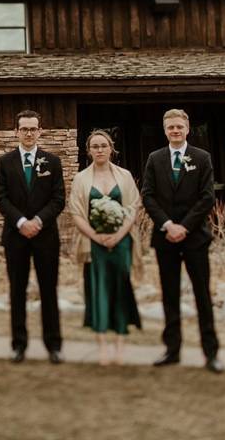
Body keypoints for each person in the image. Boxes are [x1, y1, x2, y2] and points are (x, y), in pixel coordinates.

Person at [141, 109, 221, 373]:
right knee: (170, 295)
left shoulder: (201, 158)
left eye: (179, 127)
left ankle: (211, 353)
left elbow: (207, 197)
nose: (175, 131)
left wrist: (184, 227)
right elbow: (148, 196)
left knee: (202, 295)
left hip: (194, 237)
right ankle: (172, 350)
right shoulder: (155, 159)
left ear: (187, 129)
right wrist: (168, 225)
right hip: (165, 237)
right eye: (170, 127)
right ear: (165, 131)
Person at [0, 109, 66, 364]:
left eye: (33, 128)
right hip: (16, 236)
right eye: (24, 128)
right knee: (17, 290)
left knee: (49, 290)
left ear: (40, 131)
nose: (28, 133)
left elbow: (59, 199)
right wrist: (22, 222)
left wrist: (38, 221)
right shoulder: (4, 162)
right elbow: (1, 199)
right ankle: (19, 344)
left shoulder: (52, 162)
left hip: (45, 236)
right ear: (16, 131)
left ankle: (54, 344)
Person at [69, 129, 142, 365]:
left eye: (103, 145)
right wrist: (96, 236)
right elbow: (77, 213)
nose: (99, 150)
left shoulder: (125, 176)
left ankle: (120, 345)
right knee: (98, 291)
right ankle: (101, 346)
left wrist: (119, 235)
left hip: (121, 243)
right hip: (94, 244)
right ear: (88, 151)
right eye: (94, 146)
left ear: (111, 148)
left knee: (121, 290)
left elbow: (133, 208)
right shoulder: (81, 179)